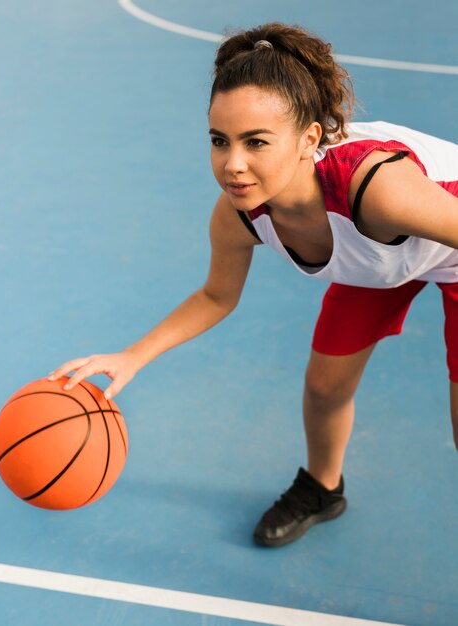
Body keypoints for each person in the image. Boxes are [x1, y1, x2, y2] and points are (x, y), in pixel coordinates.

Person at [48, 22, 458, 547]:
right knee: (325, 386)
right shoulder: (239, 214)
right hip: (376, 258)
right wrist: (131, 356)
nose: (232, 164)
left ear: (310, 139)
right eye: (220, 141)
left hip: (441, 245)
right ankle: (322, 488)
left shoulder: (379, 191)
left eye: (256, 142)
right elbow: (217, 295)